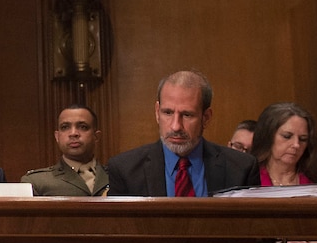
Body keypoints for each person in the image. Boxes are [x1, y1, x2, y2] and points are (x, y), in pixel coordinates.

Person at [106, 70, 259, 196]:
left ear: (206, 118)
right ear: (157, 112)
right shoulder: (125, 170)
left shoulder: (241, 168)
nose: (176, 126)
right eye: (168, 112)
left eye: (187, 115)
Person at [22, 105, 108, 196]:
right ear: (57, 136)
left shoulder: (116, 176)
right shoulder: (36, 181)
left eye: (83, 127)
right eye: (65, 127)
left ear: (96, 136)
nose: (73, 133)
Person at [251, 102, 317, 186]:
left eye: (303, 139)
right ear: (267, 136)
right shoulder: (248, 179)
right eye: (287, 136)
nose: (296, 145)